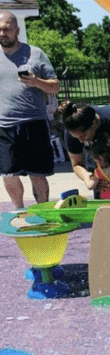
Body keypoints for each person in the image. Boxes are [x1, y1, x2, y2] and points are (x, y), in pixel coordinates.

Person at [0, 11, 60, 210]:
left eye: (7, 29)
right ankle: (18, 211)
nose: (2, 33)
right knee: (8, 175)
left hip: (33, 123)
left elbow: (55, 86)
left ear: (17, 30)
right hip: (4, 125)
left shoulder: (35, 54)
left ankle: (42, 211)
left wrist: (36, 82)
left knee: (37, 174)